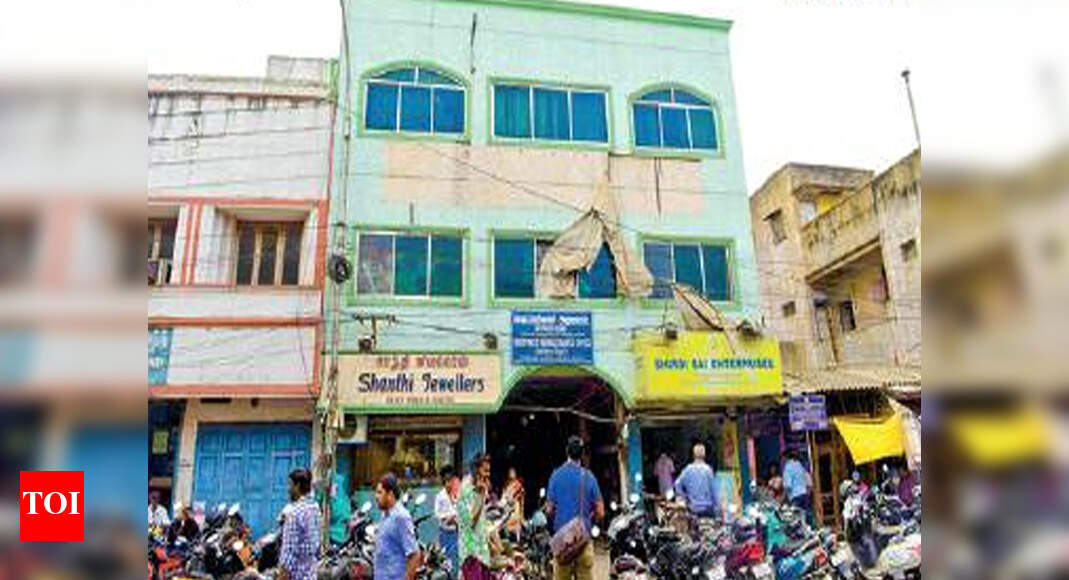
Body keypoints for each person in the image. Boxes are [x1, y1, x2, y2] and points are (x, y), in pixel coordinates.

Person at [545, 436, 604, 580]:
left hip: (562, 544)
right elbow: (601, 512)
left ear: (567, 451)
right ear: (582, 454)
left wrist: (558, 524)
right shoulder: (589, 477)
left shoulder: (556, 476)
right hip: (583, 543)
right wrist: (589, 521)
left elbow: (549, 510)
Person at [374, 473, 421, 580]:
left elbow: (414, 554)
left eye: (380, 492)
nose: (376, 497)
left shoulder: (401, 517)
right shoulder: (385, 515)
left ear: (390, 494)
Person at [279, 468, 322, 580]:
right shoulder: (315, 508)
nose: (288, 489)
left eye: (290, 485)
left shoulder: (294, 513)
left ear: (297, 486)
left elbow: (289, 555)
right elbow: (318, 549)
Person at [457, 454, 493, 580]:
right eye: (485, 470)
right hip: (471, 553)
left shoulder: (480, 487)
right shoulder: (466, 490)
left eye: (489, 470)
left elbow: (481, 520)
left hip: (481, 552)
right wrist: (481, 495)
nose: (488, 474)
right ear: (476, 470)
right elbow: (471, 522)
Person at [674, 443, 719, 518]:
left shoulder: (688, 470)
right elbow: (714, 492)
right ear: (704, 455)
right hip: (707, 509)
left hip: (693, 508)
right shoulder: (708, 470)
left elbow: (677, 484)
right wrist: (718, 510)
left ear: (693, 455)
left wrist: (684, 497)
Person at [435, 465, 461, 574]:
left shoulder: (457, 494)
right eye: (447, 481)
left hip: (457, 532)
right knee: (447, 560)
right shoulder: (440, 496)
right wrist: (448, 517)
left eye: (451, 481)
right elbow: (437, 514)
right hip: (445, 533)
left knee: (457, 559)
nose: (449, 484)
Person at [783, 450, 813, 517]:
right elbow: (809, 482)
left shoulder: (788, 467)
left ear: (786, 458)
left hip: (795, 496)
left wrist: (783, 500)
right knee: (805, 516)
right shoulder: (800, 466)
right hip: (805, 495)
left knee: (796, 518)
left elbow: (788, 486)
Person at [503, 467, 525, 543]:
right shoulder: (505, 487)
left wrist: (522, 515)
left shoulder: (518, 486)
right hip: (508, 514)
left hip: (515, 513)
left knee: (516, 536)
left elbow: (521, 501)